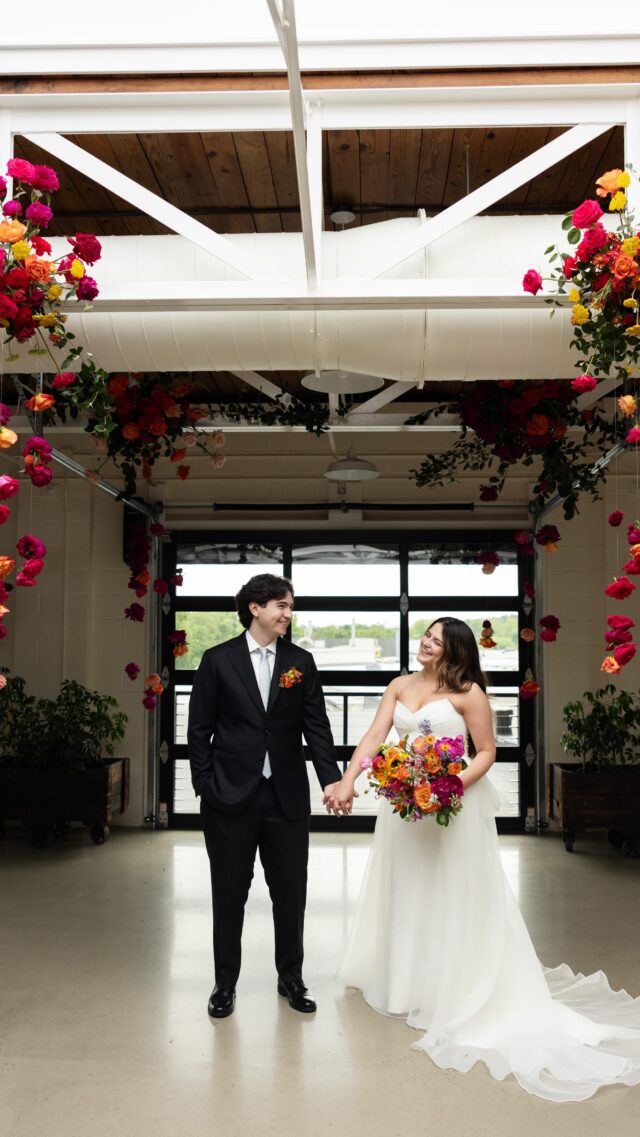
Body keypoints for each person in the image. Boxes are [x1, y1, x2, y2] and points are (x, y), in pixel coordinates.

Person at [326, 617, 640, 1102]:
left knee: (452, 893)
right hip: (404, 810)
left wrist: (446, 787)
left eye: (433, 639)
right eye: (424, 636)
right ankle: (406, 984)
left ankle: (453, 988)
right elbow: (373, 739)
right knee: (406, 889)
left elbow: (487, 752)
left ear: (453, 649)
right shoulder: (398, 685)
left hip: (453, 805)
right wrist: (350, 780)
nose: (424, 643)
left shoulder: (470, 692)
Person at [188, 573, 348, 1019]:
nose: (288, 615)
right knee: (229, 893)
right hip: (228, 798)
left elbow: (316, 726)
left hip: (287, 798)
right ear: (255, 608)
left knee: (291, 892)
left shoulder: (302, 661)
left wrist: (330, 780)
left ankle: (291, 978)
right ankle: (224, 984)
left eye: (290, 607)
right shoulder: (217, 660)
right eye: (282, 605)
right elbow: (199, 728)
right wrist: (205, 784)